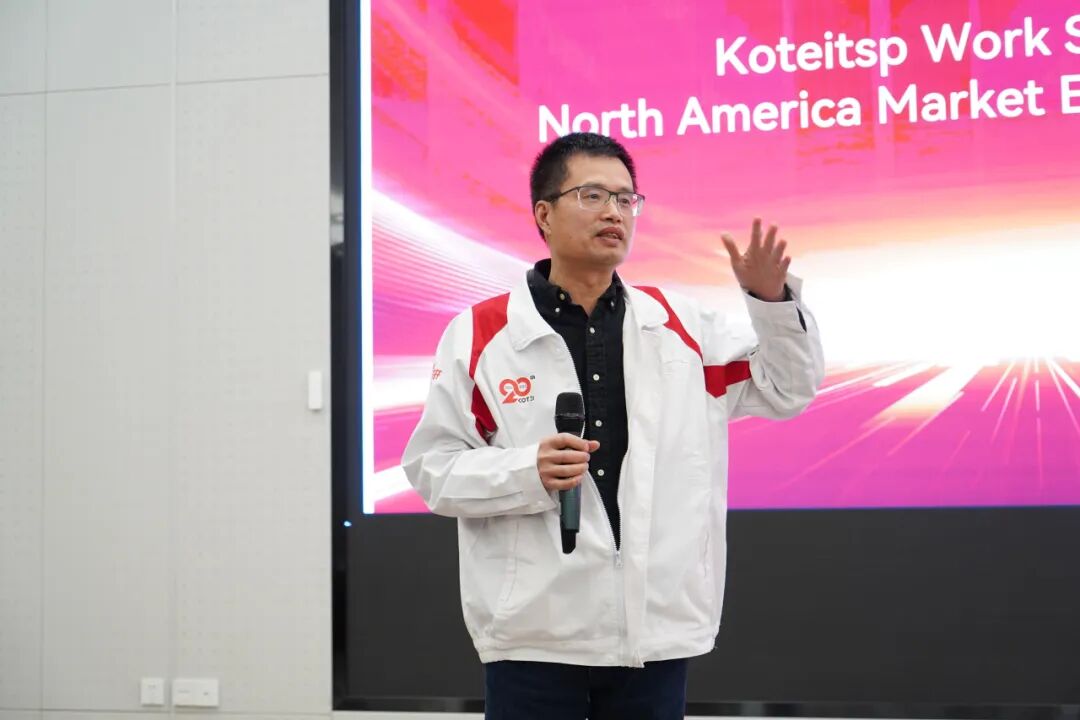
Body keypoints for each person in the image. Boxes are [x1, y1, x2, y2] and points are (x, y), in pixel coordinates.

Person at [401, 132, 824, 719]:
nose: (614, 212)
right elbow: (433, 468)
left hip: (652, 633)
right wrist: (527, 471)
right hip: (534, 636)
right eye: (593, 195)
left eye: (626, 199)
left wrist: (770, 301)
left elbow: (786, 388)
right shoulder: (482, 333)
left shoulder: (680, 326)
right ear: (543, 214)